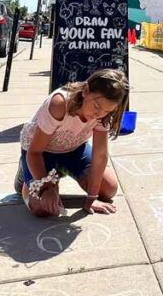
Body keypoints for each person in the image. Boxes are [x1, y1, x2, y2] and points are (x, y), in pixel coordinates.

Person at [15, 68, 129, 217]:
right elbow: (35, 152)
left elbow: (100, 155)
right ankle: (25, 180)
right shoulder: (60, 103)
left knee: (108, 189)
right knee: (41, 208)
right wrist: (46, 188)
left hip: (74, 149)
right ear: (86, 91)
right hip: (41, 153)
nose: (99, 114)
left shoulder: (103, 115)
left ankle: (59, 172)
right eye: (96, 106)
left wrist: (92, 198)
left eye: (107, 111)